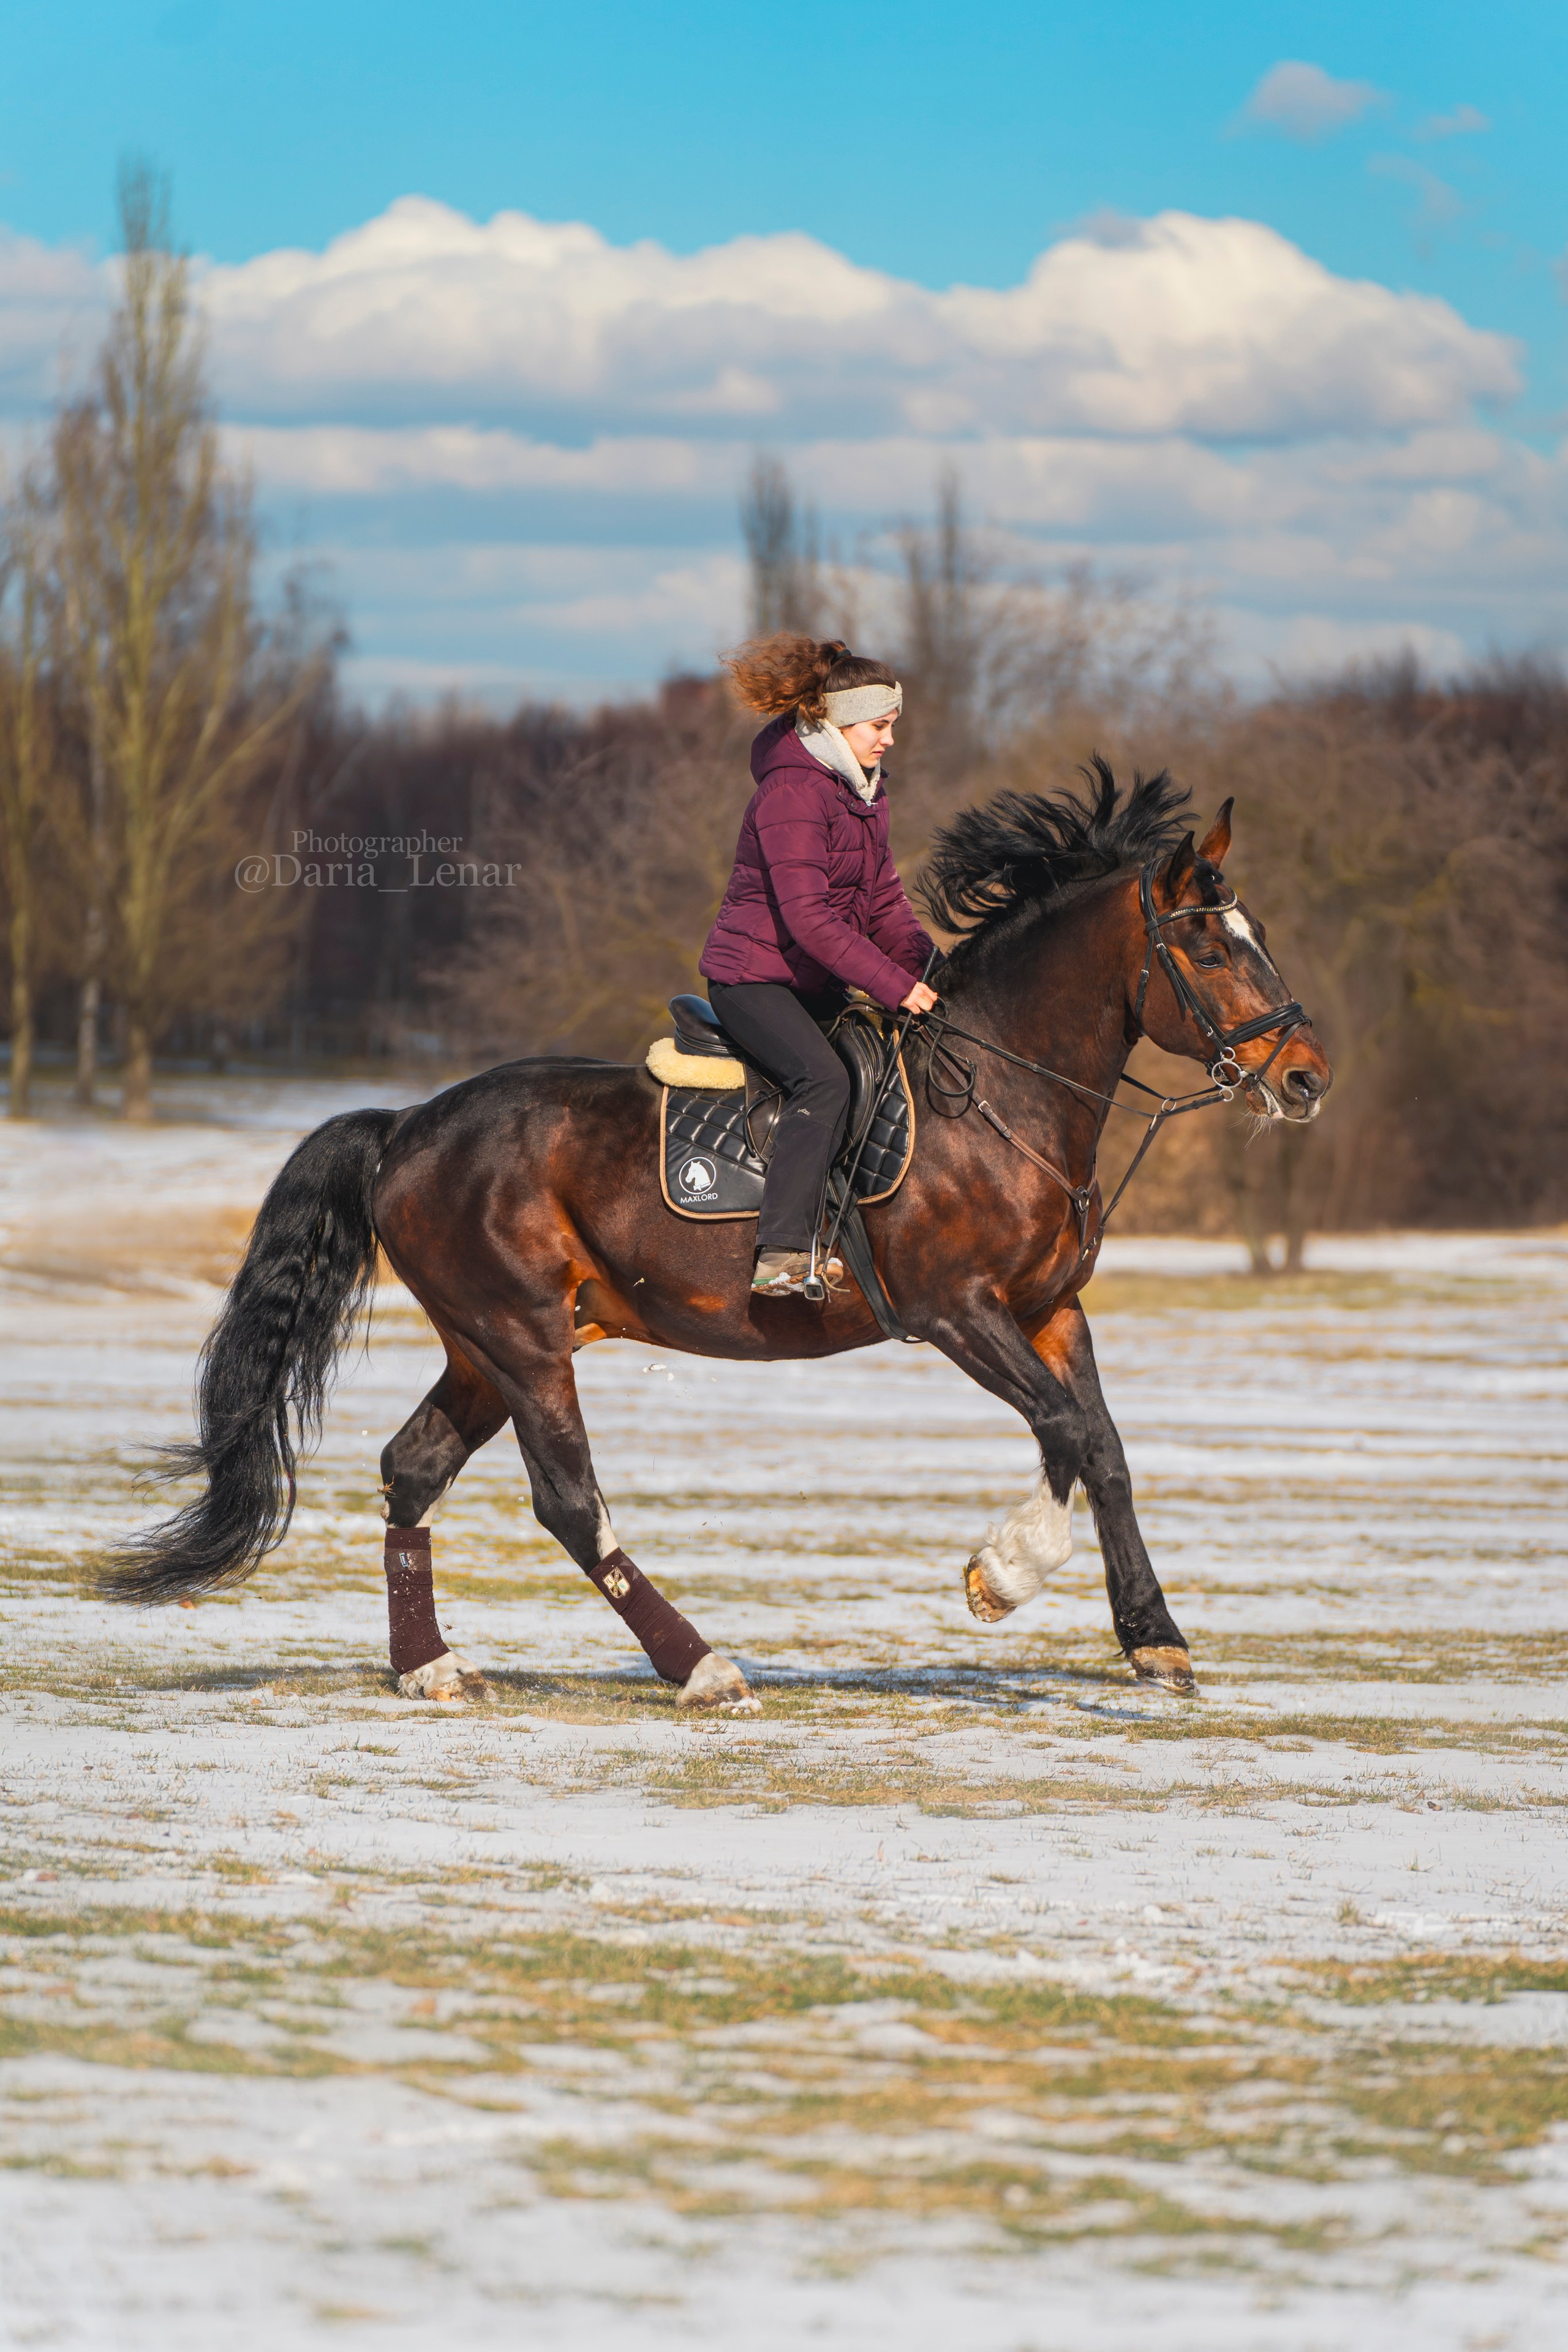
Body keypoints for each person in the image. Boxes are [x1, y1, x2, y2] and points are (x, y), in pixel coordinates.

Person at [701, 634, 938, 1297]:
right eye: (879, 726)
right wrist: (893, 987)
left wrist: (928, 967)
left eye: (893, 726)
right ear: (835, 723)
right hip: (751, 980)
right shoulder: (793, 792)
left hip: (810, 980)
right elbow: (809, 919)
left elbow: (885, 901)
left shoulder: (862, 791)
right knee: (825, 1082)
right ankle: (778, 1254)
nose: (889, 740)